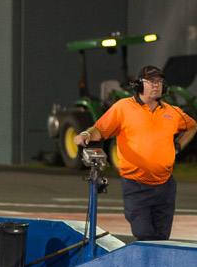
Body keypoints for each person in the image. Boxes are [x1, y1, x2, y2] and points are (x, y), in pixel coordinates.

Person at [75, 65, 196, 240]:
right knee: (144, 234)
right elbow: (100, 130)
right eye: (151, 81)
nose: (156, 85)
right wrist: (86, 134)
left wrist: (178, 146)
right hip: (136, 185)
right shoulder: (123, 107)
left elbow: (191, 126)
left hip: (166, 186)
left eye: (159, 81)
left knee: (162, 238)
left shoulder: (172, 111)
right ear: (139, 85)